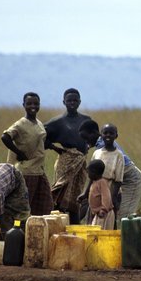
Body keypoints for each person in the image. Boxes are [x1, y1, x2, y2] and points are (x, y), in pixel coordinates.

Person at [79, 119, 141, 223]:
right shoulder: (99, 150)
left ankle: (126, 238)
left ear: (95, 134)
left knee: (123, 216)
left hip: (131, 179)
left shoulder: (105, 147)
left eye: (86, 138)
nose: (86, 142)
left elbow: (111, 179)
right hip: (116, 179)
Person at [44, 88, 91, 224]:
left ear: (79, 102)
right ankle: (57, 225)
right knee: (60, 194)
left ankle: (74, 227)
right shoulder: (57, 121)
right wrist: (54, 147)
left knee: (76, 198)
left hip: (80, 162)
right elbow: (40, 136)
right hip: (66, 161)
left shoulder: (86, 120)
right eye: (69, 100)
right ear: (63, 102)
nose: (72, 103)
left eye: (75, 100)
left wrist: (87, 146)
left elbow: (93, 136)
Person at [1, 92, 53, 216]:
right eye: (29, 103)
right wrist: (18, 152)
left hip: (39, 170)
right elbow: (5, 137)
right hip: (27, 171)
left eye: (36, 103)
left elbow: (39, 143)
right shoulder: (20, 124)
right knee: (24, 206)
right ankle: (18, 231)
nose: (33, 106)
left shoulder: (38, 123)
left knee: (46, 205)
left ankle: (36, 231)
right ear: (24, 105)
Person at [86, 160, 115, 230]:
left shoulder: (102, 183)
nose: (88, 174)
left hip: (104, 214)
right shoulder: (95, 182)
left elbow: (106, 197)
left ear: (94, 172)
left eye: (89, 172)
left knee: (102, 234)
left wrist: (103, 209)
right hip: (98, 214)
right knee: (95, 233)